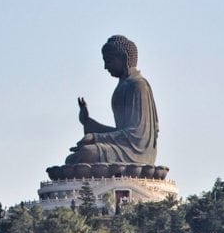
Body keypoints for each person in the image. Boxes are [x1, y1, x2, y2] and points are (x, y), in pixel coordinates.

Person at [66, 35, 158, 165]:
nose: (105, 67)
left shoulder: (138, 85)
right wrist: (88, 122)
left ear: (123, 58)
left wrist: (96, 137)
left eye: (108, 61)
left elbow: (136, 136)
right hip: (123, 147)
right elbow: (120, 132)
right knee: (76, 157)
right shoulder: (123, 86)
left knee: (86, 154)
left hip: (136, 153)